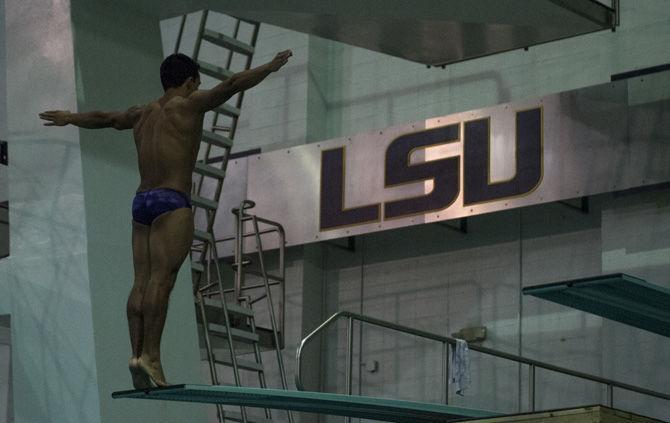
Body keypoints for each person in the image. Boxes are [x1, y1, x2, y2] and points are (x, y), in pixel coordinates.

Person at [39, 49, 292, 389]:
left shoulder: (142, 113)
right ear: (190, 81)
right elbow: (232, 84)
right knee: (163, 280)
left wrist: (70, 117)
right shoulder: (189, 105)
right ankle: (152, 358)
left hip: (141, 202)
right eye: (197, 82)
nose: (198, 87)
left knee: (141, 282)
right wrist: (271, 67)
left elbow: (105, 118)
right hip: (172, 201)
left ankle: (136, 355)